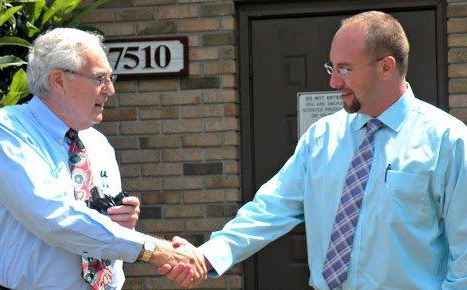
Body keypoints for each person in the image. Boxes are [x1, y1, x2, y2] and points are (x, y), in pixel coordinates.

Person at [160, 10, 467, 289]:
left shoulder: (447, 141)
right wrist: (206, 256)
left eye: (345, 69)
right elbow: (271, 208)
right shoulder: (322, 137)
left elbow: (464, 254)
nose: (334, 82)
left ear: (386, 67)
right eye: (331, 68)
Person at [0, 28, 206, 289]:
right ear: (59, 80)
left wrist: (123, 217)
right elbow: (55, 217)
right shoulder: (5, 132)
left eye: (111, 77)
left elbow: (96, 225)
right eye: (100, 78)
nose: (111, 90)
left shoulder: (97, 143)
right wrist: (154, 250)